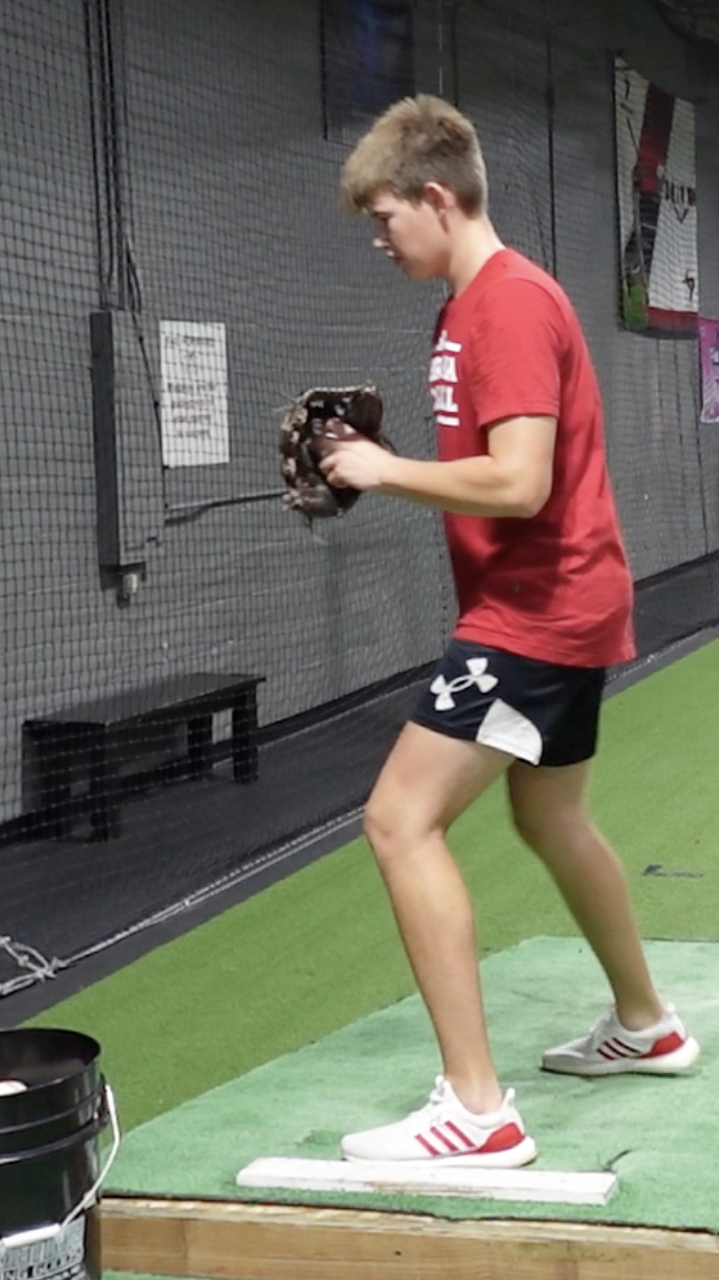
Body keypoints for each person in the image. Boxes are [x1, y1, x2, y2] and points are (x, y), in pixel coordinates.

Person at [322, 96, 698, 1165]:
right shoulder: (462, 308)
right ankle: (646, 1023)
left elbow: (520, 480)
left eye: (387, 216)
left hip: (533, 610)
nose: (379, 237)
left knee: (398, 821)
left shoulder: (510, 305)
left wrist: (384, 470)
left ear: (438, 197)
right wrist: (379, 453)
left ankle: (477, 1110)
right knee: (549, 814)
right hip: (556, 603)